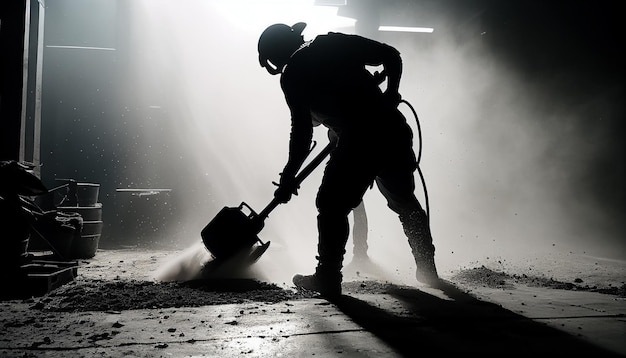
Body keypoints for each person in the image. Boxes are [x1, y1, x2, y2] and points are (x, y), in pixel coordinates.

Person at [257, 22, 438, 297]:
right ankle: (427, 267)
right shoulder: (332, 43)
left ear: (275, 55)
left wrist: (289, 174)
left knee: (330, 205)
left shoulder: (293, 74)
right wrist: (389, 93)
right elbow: (391, 55)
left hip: (361, 140)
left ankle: (327, 276)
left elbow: (303, 130)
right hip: (391, 130)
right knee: (404, 201)